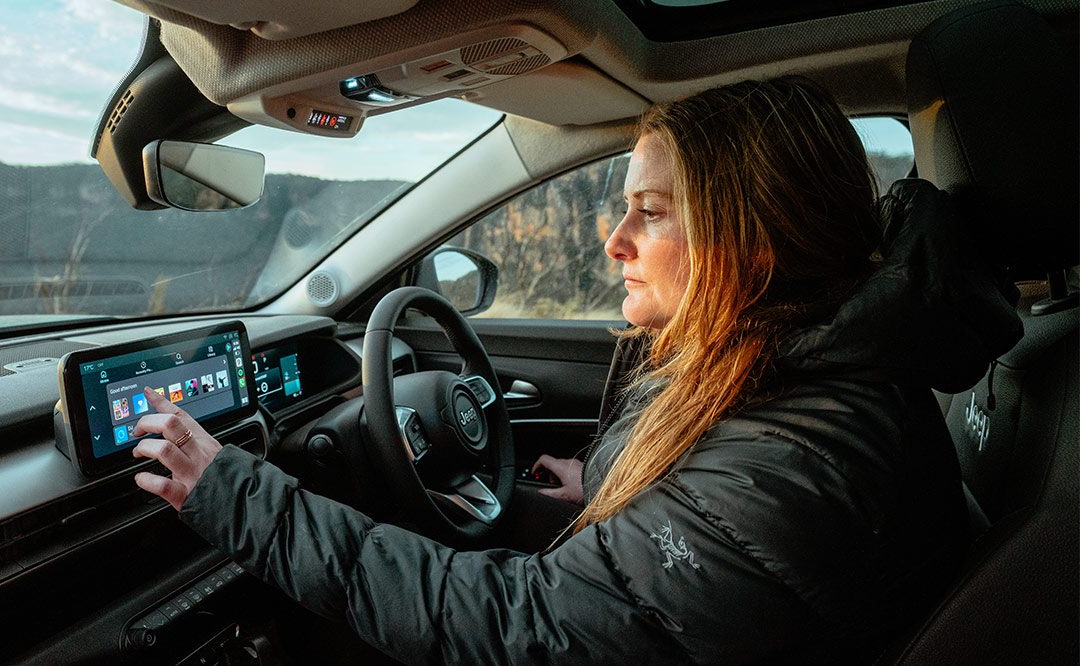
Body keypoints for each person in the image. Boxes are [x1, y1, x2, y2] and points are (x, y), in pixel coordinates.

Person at [128, 77, 1021, 663]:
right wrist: (603, 488)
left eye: (650, 212)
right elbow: (694, 534)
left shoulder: (790, 465)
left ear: (751, 246)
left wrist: (238, 495)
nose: (615, 240)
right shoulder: (788, 369)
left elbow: (522, 629)